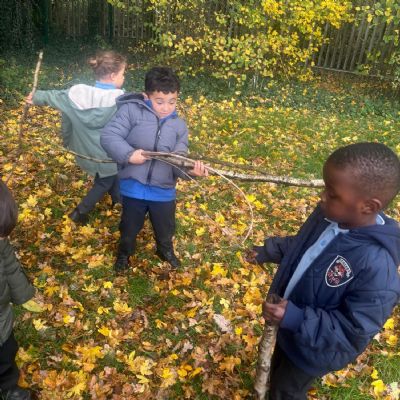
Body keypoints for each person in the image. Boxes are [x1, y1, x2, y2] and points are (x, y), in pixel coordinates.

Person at [247, 142, 400, 400]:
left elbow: (352, 331)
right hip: (288, 327)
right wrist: (269, 251)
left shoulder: (378, 268)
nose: (322, 197)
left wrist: (296, 318)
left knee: (287, 391)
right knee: (277, 371)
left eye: (332, 194)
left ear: (369, 206)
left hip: (312, 350)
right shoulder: (329, 215)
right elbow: (303, 246)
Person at [101, 66, 208, 272]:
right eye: (160, 101)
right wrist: (128, 154)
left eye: (172, 102)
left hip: (163, 190)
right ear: (147, 96)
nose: (166, 107)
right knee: (129, 226)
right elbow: (109, 136)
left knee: (165, 227)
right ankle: (124, 253)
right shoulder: (131, 112)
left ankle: (164, 249)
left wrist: (190, 172)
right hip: (134, 187)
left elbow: (178, 160)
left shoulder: (179, 126)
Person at [26, 50, 127, 224]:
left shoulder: (76, 96)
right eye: (122, 74)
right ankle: (80, 212)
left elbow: (53, 96)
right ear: (112, 76)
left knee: (111, 176)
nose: (123, 77)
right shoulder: (122, 102)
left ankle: (117, 200)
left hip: (86, 150)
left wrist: (36, 97)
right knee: (105, 181)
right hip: (109, 155)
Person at [0, 181, 36, 400]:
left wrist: (23, 293)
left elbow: (10, 265)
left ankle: (8, 386)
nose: (2, 241)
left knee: (6, 354)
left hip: (2, 320)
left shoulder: (1, 243)